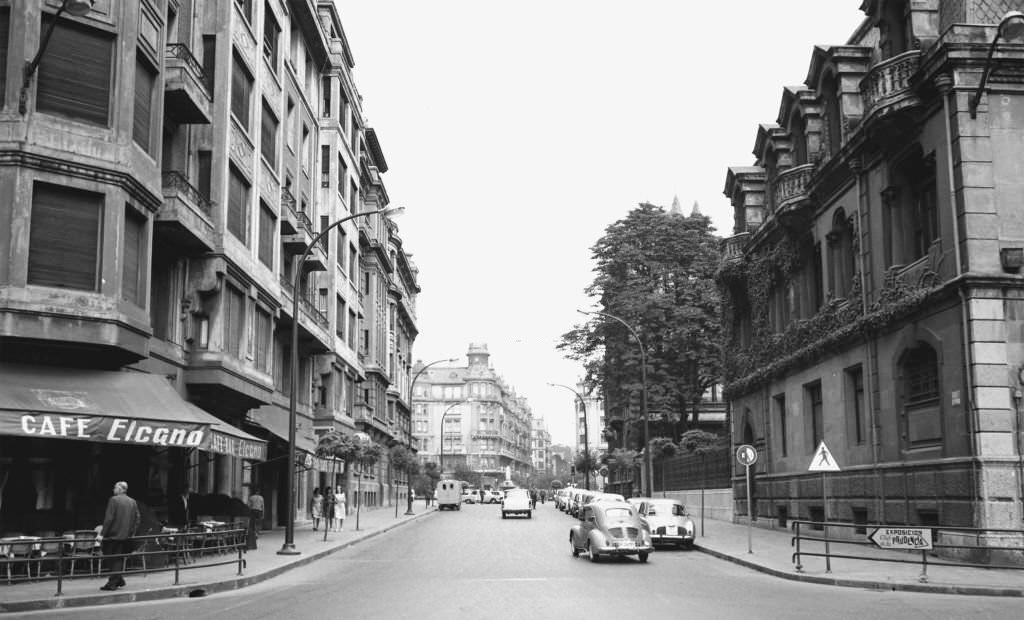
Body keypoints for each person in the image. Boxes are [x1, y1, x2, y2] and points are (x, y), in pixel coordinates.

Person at [100, 481, 140, 591]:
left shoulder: (114, 500)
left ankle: (113, 583)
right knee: (118, 558)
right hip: (126, 536)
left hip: (113, 535)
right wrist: (132, 532)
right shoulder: (132, 501)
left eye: (115, 487)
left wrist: (102, 534)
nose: (113, 489)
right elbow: (137, 519)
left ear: (121, 489)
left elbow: (109, 519)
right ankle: (119, 579)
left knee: (110, 557)